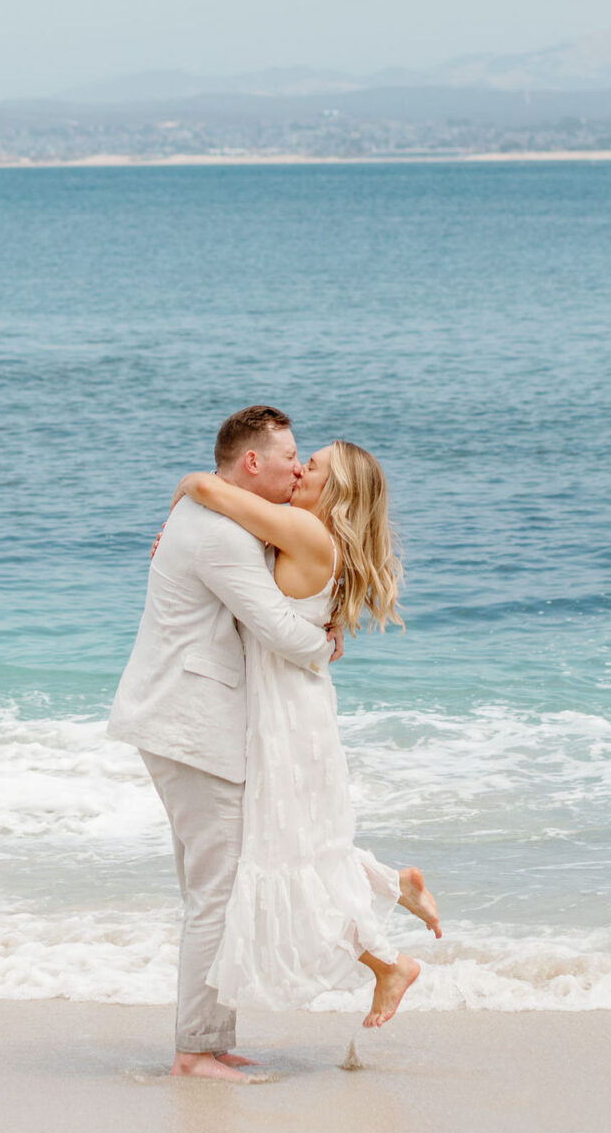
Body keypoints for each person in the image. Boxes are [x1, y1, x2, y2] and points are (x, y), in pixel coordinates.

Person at [172, 438, 440, 1036]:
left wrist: (187, 487)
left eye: (310, 466)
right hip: (292, 705)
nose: (297, 470)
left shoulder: (305, 532)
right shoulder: (310, 535)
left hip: (287, 716)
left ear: (334, 491)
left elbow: (215, 489)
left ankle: (389, 963)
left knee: (287, 852)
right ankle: (393, 888)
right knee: (302, 845)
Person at [108, 406, 341, 1081]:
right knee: (216, 888)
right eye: (289, 456)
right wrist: (323, 642)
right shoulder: (220, 535)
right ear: (251, 465)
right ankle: (193, 1052)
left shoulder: (220, 521)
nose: (298, 468)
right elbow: (277, 629)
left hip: (185, 720)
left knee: (212, 886)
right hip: (189, 724)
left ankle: (208, 1039)